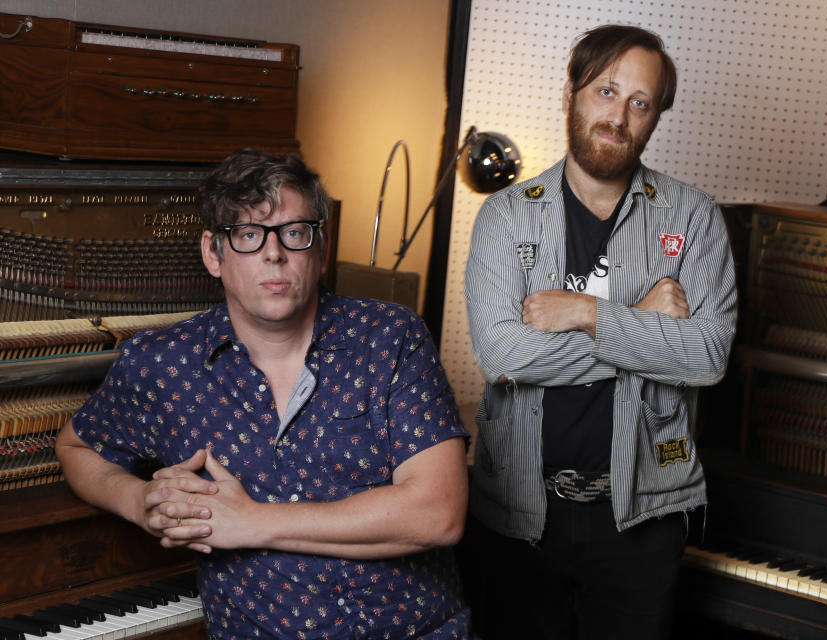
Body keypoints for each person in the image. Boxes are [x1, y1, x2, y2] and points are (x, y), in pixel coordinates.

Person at [56, 148, 472, 639]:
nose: (274, 254)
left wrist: (252, 521)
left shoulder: (389, 337)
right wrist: (140, 501)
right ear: (214, 253)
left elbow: (437, 515)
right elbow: (77, 446)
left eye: (293, 233)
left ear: (320, 246)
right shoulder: (163, 363)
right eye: (248, 235)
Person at [462, 24, 738, 639]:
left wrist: (590, 314)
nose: (619, 116)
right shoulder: (507, 216)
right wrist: (643, 320)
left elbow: (710, 355)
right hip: (519, 515)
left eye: (640, 103)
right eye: (606, 91)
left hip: (643, 520)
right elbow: (504, 356)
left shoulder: (693, 218)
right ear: (570, 93)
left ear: (656, 116)